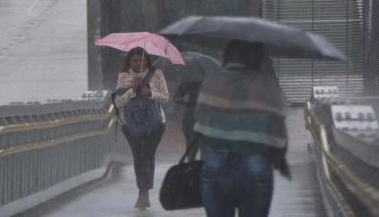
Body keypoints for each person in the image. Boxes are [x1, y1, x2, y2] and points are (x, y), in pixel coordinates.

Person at [193, 40, 290, 217]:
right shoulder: (267, 85)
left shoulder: (212, 82)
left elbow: (200, 122)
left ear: (229, 55)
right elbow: (278, 130)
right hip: (256, 165)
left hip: (216, 164)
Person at [113, 47, 169, 209]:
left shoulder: (156, 74)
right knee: (140, 155)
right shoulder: (123, 76)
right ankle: (143, 191)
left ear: (147, 60)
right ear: (129, 61)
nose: (138, 63)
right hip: (130, 125)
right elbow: (118, 103)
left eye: (141, 60)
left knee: (146, 154)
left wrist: (149, 93)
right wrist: (132, 90)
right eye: (135, 60)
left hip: (155, 125)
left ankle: (144, 192)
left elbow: (165, 98)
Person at [174, 81, 202, 161]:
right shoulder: (185, 84)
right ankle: (192, 168)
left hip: (203, 118)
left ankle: (202, 170)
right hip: (190, 118)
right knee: (191, 149)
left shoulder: (206, 84)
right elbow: (176, 98)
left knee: (204, 149)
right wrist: (183, 99)